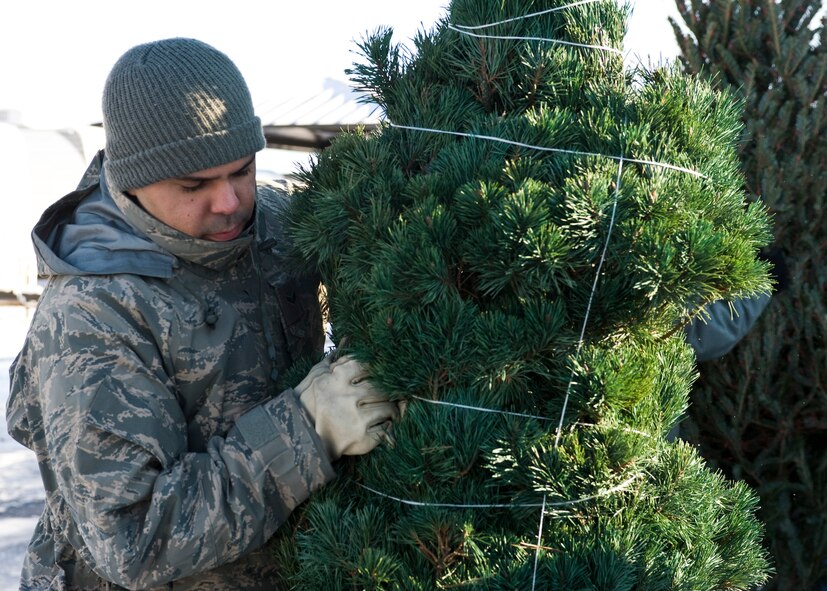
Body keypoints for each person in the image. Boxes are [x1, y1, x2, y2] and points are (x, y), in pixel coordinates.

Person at [5, 38, 399, 590]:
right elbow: (135, 538)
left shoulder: (274, 228)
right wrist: (309, 430)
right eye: (194, 185)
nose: (230, 202)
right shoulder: (91, 315)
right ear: (132, 180)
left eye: (242, 170)